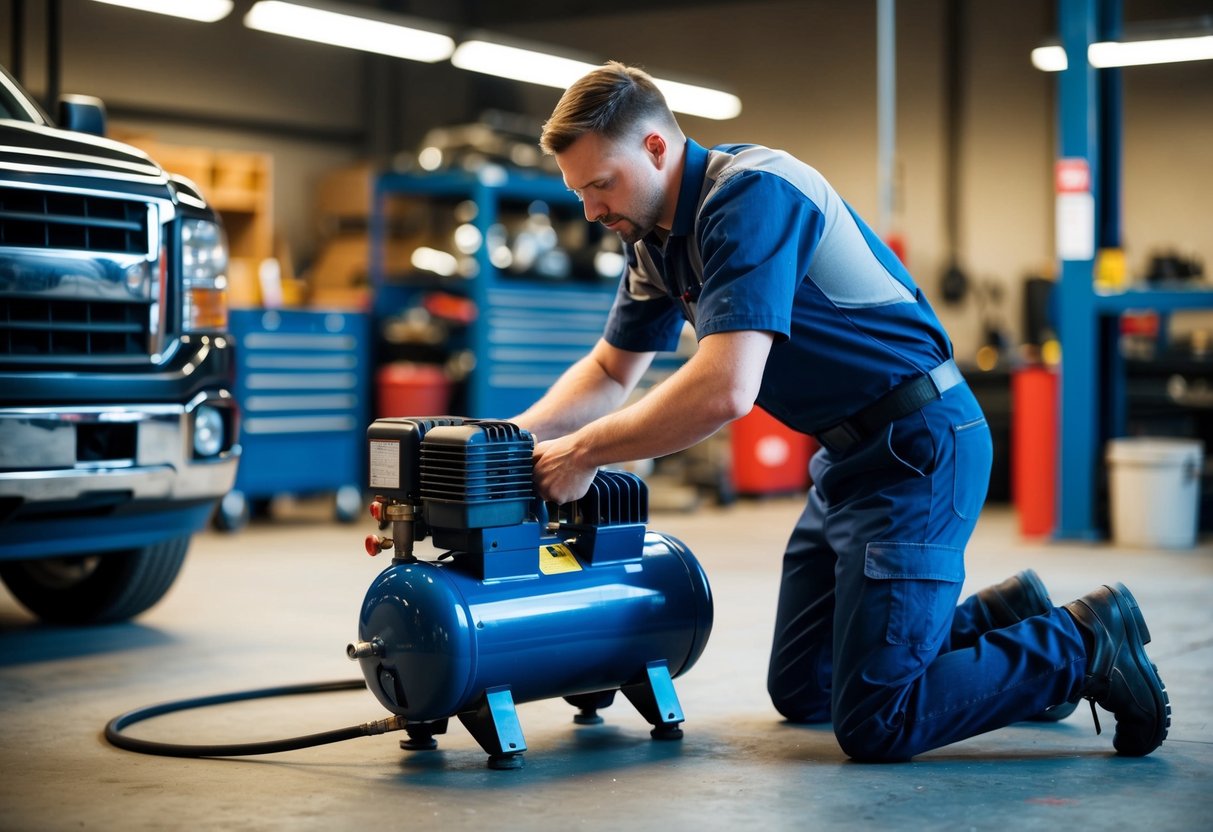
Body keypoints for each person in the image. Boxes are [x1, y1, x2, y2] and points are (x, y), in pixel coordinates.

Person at [513, 61, 1170, 761]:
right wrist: (502, 440)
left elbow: (726, 388)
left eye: (598, 184)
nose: (589, 210)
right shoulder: (652, 241)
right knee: (806, 688)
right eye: (577, 191)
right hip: (846, 463)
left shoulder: (749, 196)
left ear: (653, 147)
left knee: (876, 722)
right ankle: (1002, 620)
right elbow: (611, 369)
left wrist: (582, 452)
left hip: (917, 449)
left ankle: (1085, 639)